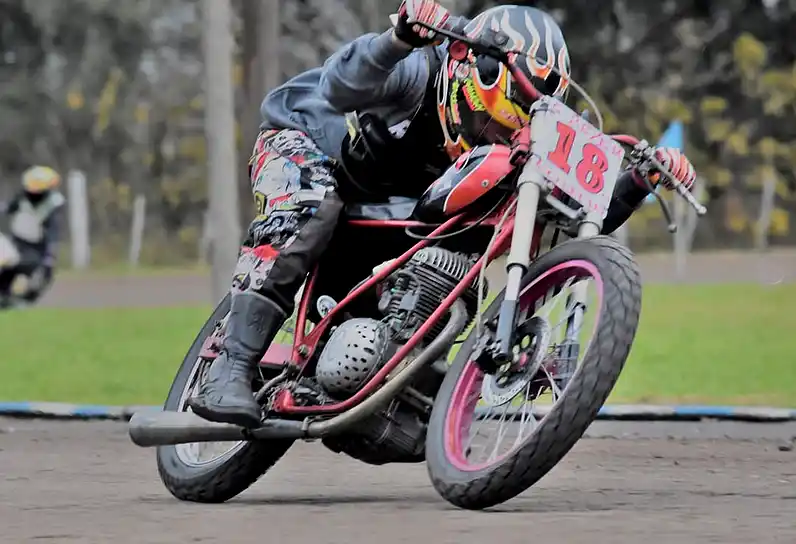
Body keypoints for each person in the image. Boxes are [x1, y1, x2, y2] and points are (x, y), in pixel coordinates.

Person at [188, 1, 698, 428]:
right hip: (305, 141)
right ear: (465, 72)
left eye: (504, 134)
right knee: (314, 203)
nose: (491, 137)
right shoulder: (417, 70)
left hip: (387, 200)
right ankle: (231, 365)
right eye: (485, 123)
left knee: (464, 242)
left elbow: (572, 220)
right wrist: (398, 40)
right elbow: (337, 87)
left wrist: (637, 182)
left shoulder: (508, 146)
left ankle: (394, 368)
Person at [0, 165, 64, 306]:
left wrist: (50, 254)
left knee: (41, 273)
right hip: (17, 241)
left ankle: (26, 299)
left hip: (38, 247)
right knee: (8, 265)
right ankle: (3, 295)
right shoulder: (21, 198)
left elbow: (53, 231)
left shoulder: (53, 204)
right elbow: (7, 208)